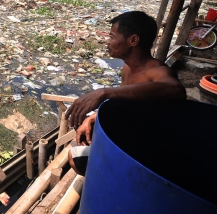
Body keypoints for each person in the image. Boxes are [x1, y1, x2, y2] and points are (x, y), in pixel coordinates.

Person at [65, 11, 186, 175]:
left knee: (77, 158)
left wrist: (106, 92)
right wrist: (92, 118)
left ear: (133, 40)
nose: (107, 42)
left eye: (112, 37)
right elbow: (123, 104)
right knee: (76, 154)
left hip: (148, 152)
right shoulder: (127, 69)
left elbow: (176, 89)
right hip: (128, 135)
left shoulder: (156, 71)